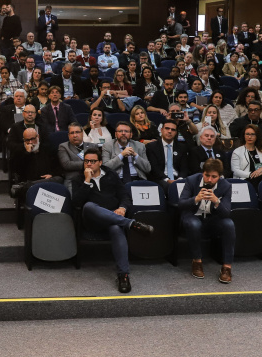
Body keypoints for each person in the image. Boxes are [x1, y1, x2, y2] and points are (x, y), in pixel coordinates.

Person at [72, 147, 154, 293]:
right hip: (92, 222)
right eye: (86, 161)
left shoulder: (111, 175)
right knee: (89, 206)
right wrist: (87, 181)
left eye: (93, 161)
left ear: (100, 162)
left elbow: (124, 195)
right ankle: (131, 224)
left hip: (113, 219)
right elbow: (77, 203)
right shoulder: (78, 179)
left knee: (116, 228)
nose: (89, 164)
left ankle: (123, 275)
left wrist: (122, 208)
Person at [178, 159, 235, 284]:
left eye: (214, 177)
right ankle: (197, 262)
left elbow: (226, 213)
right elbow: (181, 204)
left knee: (229, 224)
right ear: (202, 173)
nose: (209, 179)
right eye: (206, 175)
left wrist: (216, 201)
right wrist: (196, 199)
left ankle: (227, 267)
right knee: (194, 224)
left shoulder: (225, 186)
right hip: (193, 216)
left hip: (212, 219)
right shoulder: (192, 180)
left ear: (220, 177)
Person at [145, 121, 189, 189]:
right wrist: (167, 180)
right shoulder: (152, 147)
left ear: (176, 133)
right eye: (167, 128)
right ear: (162, 130)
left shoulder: (182, 147)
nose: (169, 131)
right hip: (160, 179)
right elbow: (154, 168)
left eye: (173, 130)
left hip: (178, 179)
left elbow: (184, 168)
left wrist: (179, 180)